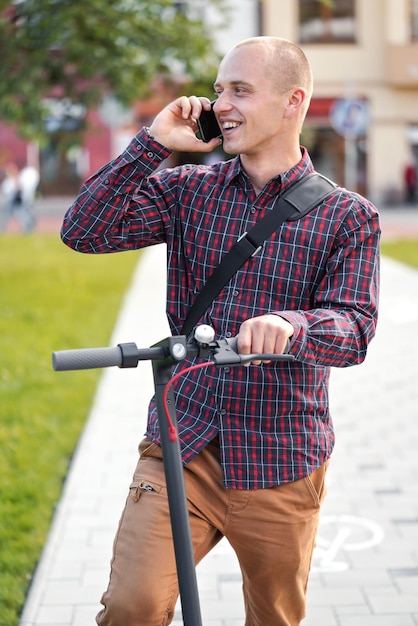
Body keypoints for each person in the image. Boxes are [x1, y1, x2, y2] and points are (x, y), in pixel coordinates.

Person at [61, 36, 380, 626]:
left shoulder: (348, 217)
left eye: (240, 90)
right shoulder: (188, 192)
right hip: (184, 441)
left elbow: (355, 328)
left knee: (274, 619)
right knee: (131, 608)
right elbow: (84, 230)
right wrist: (152, 144)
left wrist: (293, 325)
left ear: (293, 101)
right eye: (218, 90)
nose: (220, 104)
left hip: (282, 457)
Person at [0, 162, 38, 233]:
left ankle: (29, 226)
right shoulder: (8, 181)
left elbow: (19, 187)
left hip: (17, 200)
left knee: (22, 213)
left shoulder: (20, 177)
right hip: (11, 200)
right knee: (7, 215)